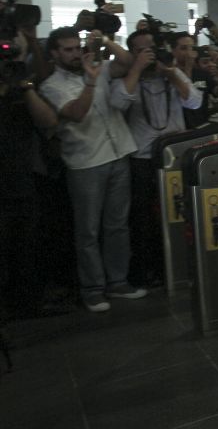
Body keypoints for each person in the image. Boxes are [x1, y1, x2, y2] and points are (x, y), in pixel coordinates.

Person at [39, 27, 147, 312]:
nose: (75, 54)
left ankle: (118, 282)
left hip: (117, 152)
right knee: (87, 230)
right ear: (54, 53)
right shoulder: (51, 85)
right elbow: (76, 113)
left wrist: (106, 41)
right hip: (85, 161)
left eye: (77, 47)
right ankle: (92, 289)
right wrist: (90, 81)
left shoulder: (96, 67)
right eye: (68, 49)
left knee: (117, 225)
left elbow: (127, 63)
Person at [111, 29, 202, 286]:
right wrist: (137, 69)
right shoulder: (128, 76)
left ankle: (178, 267)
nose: (149, 54)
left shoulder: (171, 72)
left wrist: (172, 73)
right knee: (142, 219)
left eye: (152, 48)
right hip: (141, 158)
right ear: (132, 53)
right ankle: (146, 271)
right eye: (142, 50)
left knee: (177, 214)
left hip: (174, 156)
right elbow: (118, 102)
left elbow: (194, 102)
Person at [0, 27, 59, 318]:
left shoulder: (20, 85)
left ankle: (27, 303)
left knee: (26, 248)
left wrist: (23, 84)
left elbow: (49, 121)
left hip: (22, 179)